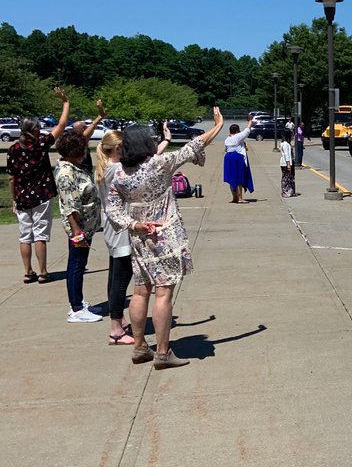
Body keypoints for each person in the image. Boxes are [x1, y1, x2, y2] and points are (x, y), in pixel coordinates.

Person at [106, 108, 226, 370]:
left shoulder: (119, 174)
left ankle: (139, 346)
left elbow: (112, 209)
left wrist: (134, 223)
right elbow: (195, 144)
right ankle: (162, 352)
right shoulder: (159, 164)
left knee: (140, 290)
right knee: (163, 293)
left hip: (139, 235)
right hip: (165, 235)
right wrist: (218, 126)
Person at [96, 124, 171, 345]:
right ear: (118, 148)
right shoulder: (115, 170)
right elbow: (149, 164)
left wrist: (165, 141)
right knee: (121, 279)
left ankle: (118, 323)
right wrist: (165, 142)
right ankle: (116, 330)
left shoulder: (104, 167)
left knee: (114, 276)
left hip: (112, 226)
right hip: (122, 228)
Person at [7, 86, 70, 283]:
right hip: (41, 194)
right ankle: (43, 272)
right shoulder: (41, 142)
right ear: (34, 129)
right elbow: (61, 125)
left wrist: (14, 199)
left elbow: (11, 178)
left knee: (25, 235)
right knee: (40, 234)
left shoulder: (13, 149)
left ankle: (28, 272)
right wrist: (65, 103)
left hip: (23, 196)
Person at [54, 129, 102, 322]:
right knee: (76, 265)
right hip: (79, 228)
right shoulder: (66, 173)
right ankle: (76, 309)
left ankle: (79, 302)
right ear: (74, 151)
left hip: (86, 226)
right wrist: (77, 233)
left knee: (80, 264)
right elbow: (69, 206)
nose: (85, 152)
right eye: (83, 149)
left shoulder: (74, 167)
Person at [223, 116, 254, 203]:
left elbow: (225, 149)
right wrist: (251, 119)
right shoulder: (238, 136)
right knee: (239, 179)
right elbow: (248, 129)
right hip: (237, 158)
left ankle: (234, 198)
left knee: (231, 179)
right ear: (237, 131)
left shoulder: (227, 139)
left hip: (228, 158)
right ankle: (240, 198)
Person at [279, 128, 296, 198]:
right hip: (286, 163)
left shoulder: (283, 143)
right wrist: (288, 164)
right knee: (286, 178)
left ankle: (289, 191)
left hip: (284, 162)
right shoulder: (285, 144)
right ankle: (286, 191)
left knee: (288, 177)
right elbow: (287, 154)